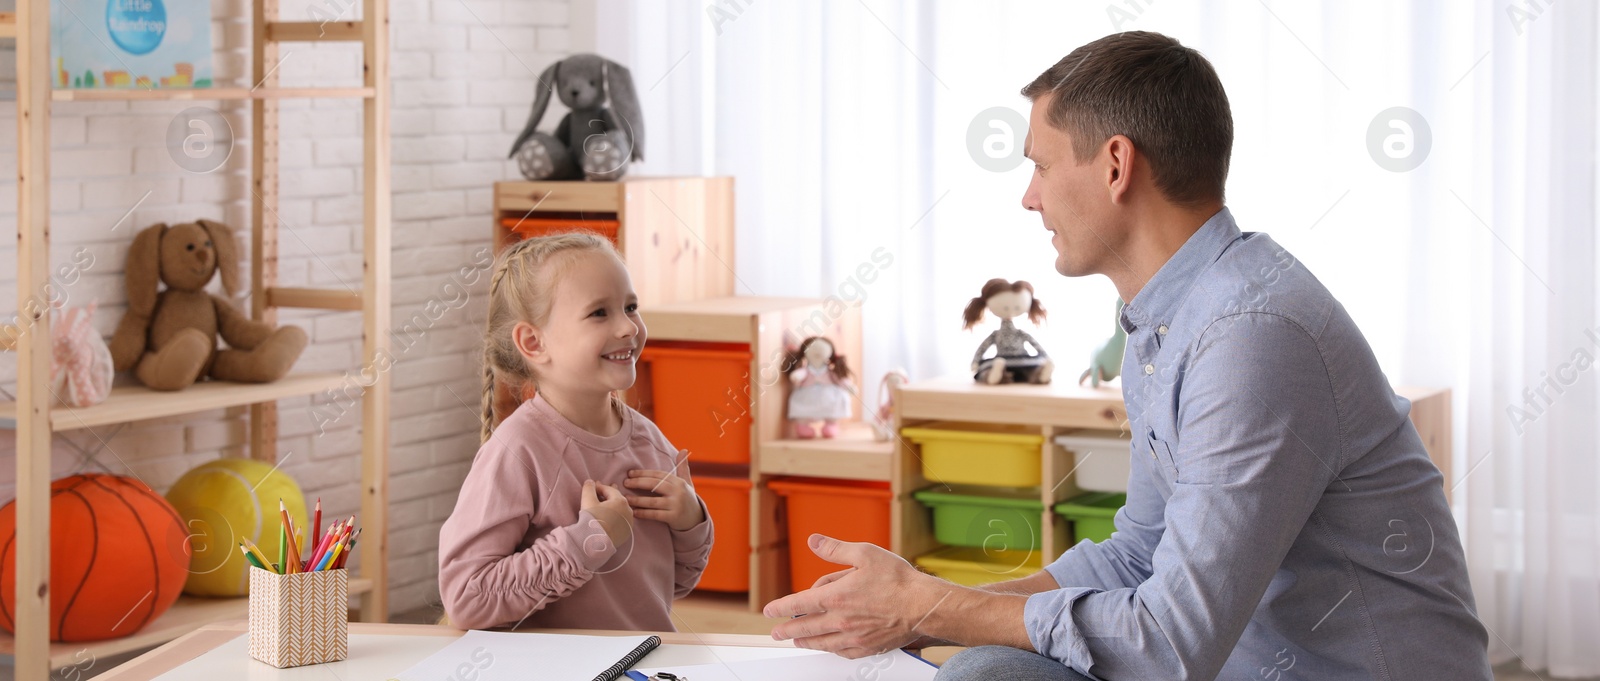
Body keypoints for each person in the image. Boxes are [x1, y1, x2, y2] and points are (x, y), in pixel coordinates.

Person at [763, 31, 1493, 680]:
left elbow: (1169, 645)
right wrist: (916, 609)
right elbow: (1136, 554)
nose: (1028, 197)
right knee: (989, 666)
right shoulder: (1167, 317)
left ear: (1116, 165)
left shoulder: (1253, 335)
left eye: (1041, 166)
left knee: (984, 674)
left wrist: (935, 605)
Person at [438, 232, 713, 631]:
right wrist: (590, 539)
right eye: (599, 313)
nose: (627, 327)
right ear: (534, 342)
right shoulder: (517, 450)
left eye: (630, 306)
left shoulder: (650, 442)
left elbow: (672, 587)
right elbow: (468, 598)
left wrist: (691, 522)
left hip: (642, 666)